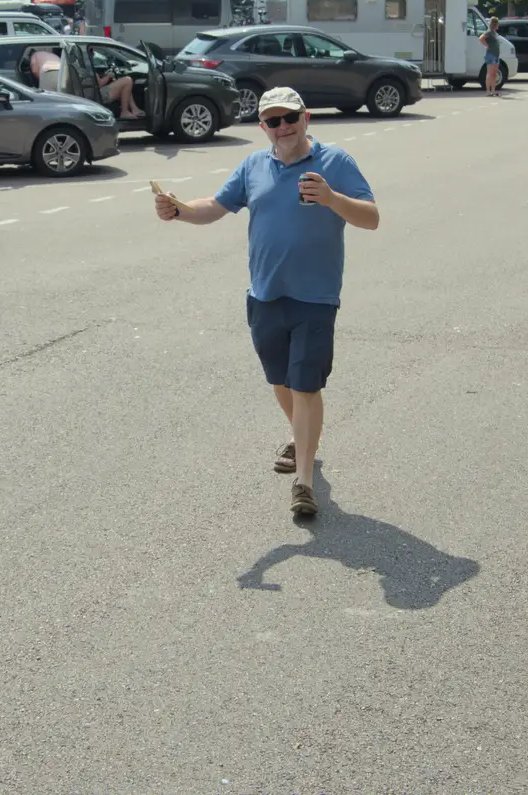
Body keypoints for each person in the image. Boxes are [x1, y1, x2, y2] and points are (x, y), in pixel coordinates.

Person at [153, 86, 379, 516]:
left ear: (306, 117)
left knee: (305, 384)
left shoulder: (335, 163)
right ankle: (302, 437)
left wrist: (332, 198)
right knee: (281, 382)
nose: (283, 127)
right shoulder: (254, 165)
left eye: (289, 118)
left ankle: (304, 482)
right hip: (265, 294)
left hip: (315, 297)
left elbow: (371, 218)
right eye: (273, 121)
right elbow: (215, 207)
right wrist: (178, 209)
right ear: (263, 128)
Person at [480, 18, 502, 97]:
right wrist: (486, 45)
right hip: (491, 55)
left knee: (494, 74)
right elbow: (481, 38)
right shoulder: (489, 32)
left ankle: (493, 90)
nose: (498, 25)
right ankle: (488, 91)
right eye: (497, 24)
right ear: (494, 24)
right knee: (490, 73)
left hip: (495, 55)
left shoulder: (494, 33)